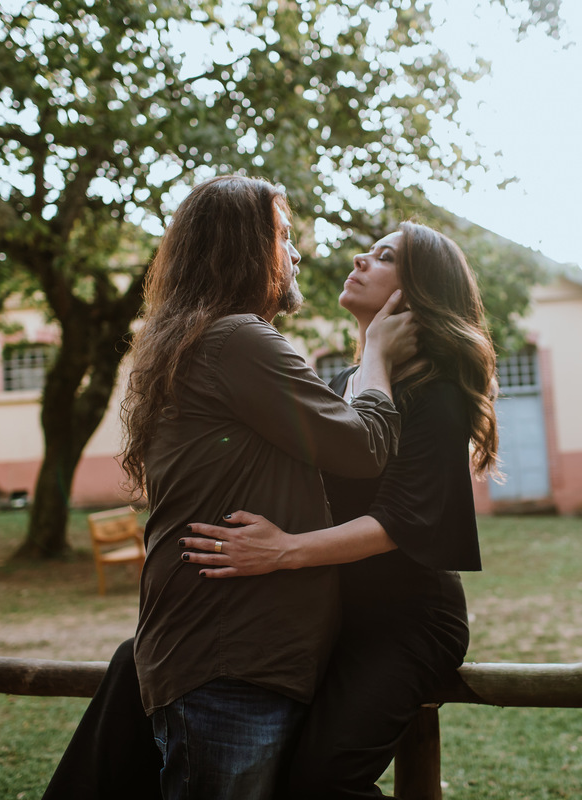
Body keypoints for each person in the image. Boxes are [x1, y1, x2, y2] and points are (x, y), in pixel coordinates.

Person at [43, 174, 416, 800]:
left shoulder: (198, 339)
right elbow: (363, 447)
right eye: (282, 236)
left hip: (230, 654)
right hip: (232, 659)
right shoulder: (237, 338)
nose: (296, 253)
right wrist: (375, 349)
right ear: (242, 248)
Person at [180, 220, 498, 799]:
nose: (358, 259)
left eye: (383, 257)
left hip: (404, 623)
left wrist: (283, 551)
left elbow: (401, 519)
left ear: (417, 292)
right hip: (328, 618)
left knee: (321, 782)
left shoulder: (437, 390)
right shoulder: (344, 383)